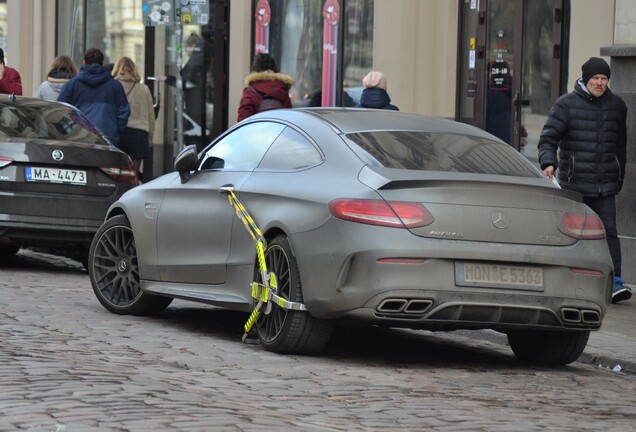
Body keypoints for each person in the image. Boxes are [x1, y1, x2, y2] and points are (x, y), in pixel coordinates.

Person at [537, 57, 631, 304]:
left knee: (609, 231)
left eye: (604, 78)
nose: (600, 83)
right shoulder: (566, 105)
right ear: (585, 79)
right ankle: (564, 278)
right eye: (595, 79)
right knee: (572, 231)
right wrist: (549, 162)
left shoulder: (618, 107)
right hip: (574, 183)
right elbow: (549, 138)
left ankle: (615, 282)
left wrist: (618, 176)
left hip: (605, 185)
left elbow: (621, 147)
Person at [58, 48, 130, 147]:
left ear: (84, 62)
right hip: (108, 138)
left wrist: (70, 132)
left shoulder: (72, 85)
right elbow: (124, 112)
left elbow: (60, 111)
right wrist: (115, 131)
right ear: (102, 62)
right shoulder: (115, 85)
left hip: (79, 138)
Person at [112, 57, 155, 179]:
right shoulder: (144, 89)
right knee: (133, 174)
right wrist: (150, 138)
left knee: (118, 172)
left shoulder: (114, 87)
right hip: (139, 134)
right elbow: (151, 116)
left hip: (120, 132)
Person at [237, 53, 294, 122]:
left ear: (254, 69)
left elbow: (243, 120)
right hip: (278, 131)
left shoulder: (250, 92)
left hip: (258, 132)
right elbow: (289, 118)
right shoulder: (282, 89)